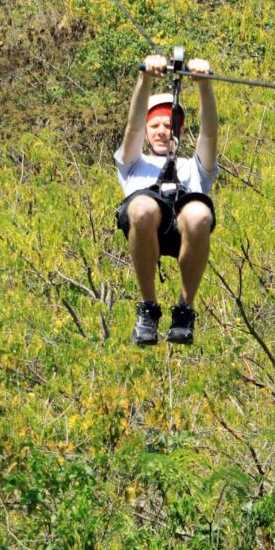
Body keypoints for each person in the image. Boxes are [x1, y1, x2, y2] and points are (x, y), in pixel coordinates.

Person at [114, 54, 218, 345]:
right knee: (143, 206)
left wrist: (204, 85)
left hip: (184, 228)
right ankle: (149, 307)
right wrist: (145, 78)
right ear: (147, 133)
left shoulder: (194, 167)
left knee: (199, 213)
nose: (162, 131)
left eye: (169, 125)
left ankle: (185, 308)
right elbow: (132, 128)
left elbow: (210, 134)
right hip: (146, 224)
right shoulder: (133, 162)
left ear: (181, 131)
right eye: (155, 126)